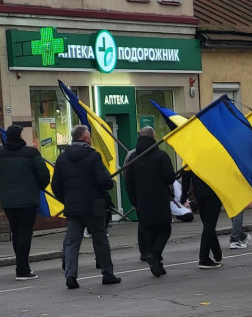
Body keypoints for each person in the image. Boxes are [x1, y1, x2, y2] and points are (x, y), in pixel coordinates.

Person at [51, 124, 120, 289]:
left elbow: (55, 185)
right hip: (94, 205)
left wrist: (66, 200)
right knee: (100, 239)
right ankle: (107, 274)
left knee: (72, 242)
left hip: (73, 206)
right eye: (88, 136)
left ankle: (70, 276)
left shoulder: (62, 158)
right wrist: (109, 183)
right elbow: (103, 180)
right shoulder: (93, 156)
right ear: (85, 138)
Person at [0, 124, 49, 280]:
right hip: (28, 200)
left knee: (16, 233)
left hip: (9, 201)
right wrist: (37, 186)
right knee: (25, 234)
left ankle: (21, 266)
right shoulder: (31, 153)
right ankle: (22, 268)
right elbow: (43, 175)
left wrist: (5, 182)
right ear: (20, 135)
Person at [124, 126, 176, 278]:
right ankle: (154, 254)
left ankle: (157, 263)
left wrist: (134, 201)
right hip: (159, 199)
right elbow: (169, 178)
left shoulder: (133, 158)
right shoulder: (161, 155)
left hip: (142, 201)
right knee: (165, 229)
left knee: (151, 231)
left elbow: (129, 183)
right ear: (154, 137)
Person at [190, 174, 223, 269]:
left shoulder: (194, 158)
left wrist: (184, 193)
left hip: (199, 192)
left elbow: (186, 172)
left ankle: (217, 254)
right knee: (209, 225)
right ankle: (203, 258)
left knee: (207, 224)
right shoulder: (218, 158)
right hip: (214, 190)